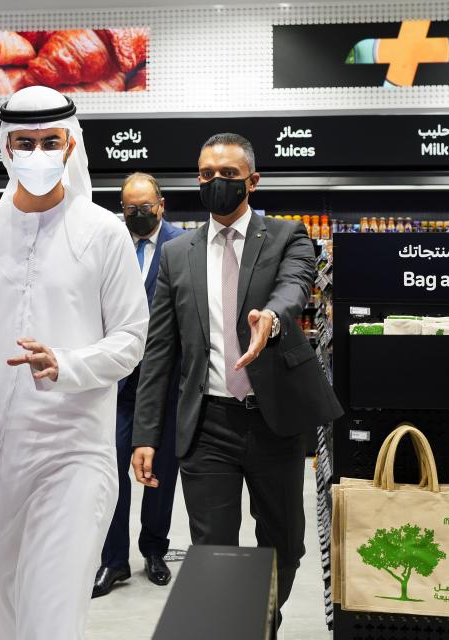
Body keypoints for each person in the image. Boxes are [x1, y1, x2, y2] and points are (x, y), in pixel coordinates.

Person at [0, 86, 149, 639]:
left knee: (48, 620)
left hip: (71, 456)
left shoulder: (104, 233)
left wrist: (67, 365)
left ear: (71, 145)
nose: (37, 153)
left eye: (50, 141)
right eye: (24, 142)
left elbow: (130, 338)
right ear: (6, 149)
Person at [131, 133, 343, 623]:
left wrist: (271, 317)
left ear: (253, 180)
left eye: (228, 174)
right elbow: (160, 350)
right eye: (206, 174)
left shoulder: (287, 235)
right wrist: (145, 434)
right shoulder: (177, 253)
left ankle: (265, 618)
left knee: (285, 544)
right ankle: (233, 628)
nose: (216, 183)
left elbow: (295, 285)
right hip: (208, 424)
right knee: (213, 553)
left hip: (275, 421)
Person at [93, 173, 183, 597]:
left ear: (161, 205)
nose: (139, 213)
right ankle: (114, 561)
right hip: (116, 380)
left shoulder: (182, 246)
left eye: (146, 205)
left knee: (160, 470)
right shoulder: (109, 243)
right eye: (131, 207)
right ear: (122, 208)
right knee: (111, 469)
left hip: (164, 381)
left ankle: (154, 550)